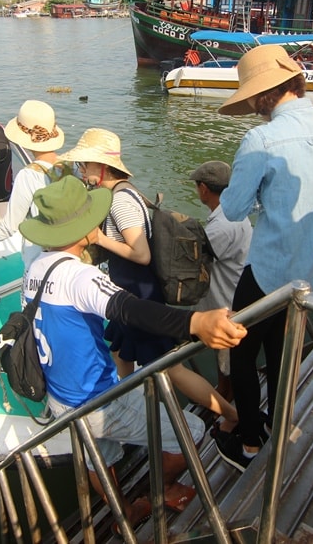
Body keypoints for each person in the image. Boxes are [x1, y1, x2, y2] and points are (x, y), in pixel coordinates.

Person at [18, 176, 247, 526]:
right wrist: (196, 322)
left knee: (99, 455)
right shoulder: (79, 277)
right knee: (191, 431)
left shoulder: (34, 269)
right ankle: (163, 489)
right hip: (95, 398)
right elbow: (131, 309)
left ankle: (123, 511)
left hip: (60, 398)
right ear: (83, 230)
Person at [212, 44, 313, 471]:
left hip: (271, 266)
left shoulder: (261, 138)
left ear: (260, 95)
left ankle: (251, 441)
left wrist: (257, 195)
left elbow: (234, 209)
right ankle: (278, 422)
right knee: (281, 351)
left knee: (240, 349)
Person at [60, 129, 240, 427]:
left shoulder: (120, 201)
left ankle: (233, 416)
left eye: (85, 165)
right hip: (127, 293)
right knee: (119, 352)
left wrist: (100, 240)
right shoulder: (124, 194)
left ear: (101, 167)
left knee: (171, 367)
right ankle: (130, 413)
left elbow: (141, 253)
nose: (82, 171)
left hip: (139, 294)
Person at [0, 100, 66, 281]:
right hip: (71, 251)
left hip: (41, 260)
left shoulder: (29, 175)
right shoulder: (71, 166)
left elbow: (9, 227)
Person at [189, 160, 253, 400]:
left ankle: (233, 412)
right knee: (224, 358)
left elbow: (196, 258)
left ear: (204, 188)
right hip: (229, 293)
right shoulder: (231, 213)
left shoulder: (223, 226)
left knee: (230, 361)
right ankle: (223, 392)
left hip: (227, 301)